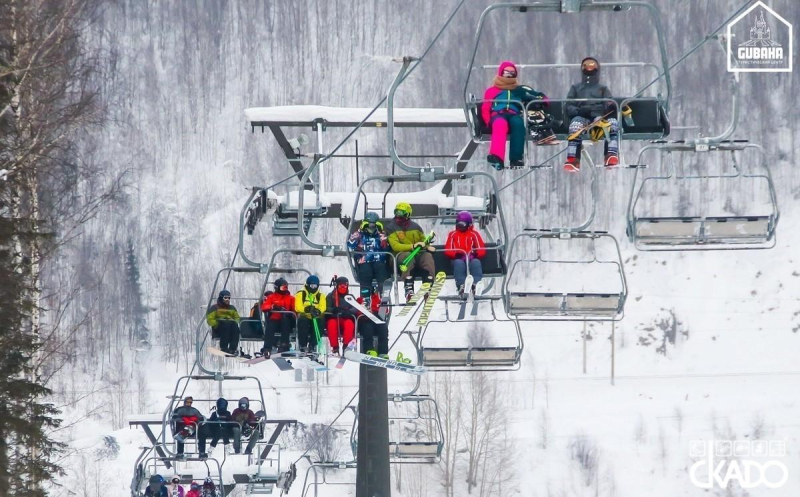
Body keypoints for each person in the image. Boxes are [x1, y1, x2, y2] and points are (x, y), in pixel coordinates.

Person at [481, 60, 550, 170]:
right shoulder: (492, 91)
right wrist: (488, 121)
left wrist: (543, 100)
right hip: (498, 114)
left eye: (512, 73)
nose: (509, 75)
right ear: (501, 73)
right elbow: (485, 108)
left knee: (518, 124)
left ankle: (516, 159)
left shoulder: (519, 90)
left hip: (514, 113)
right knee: (500, 124)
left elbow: (536, 95)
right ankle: (497, 157)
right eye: (506, 72)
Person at [563, 56, 619, 172]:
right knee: (575, 126)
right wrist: (578, 111)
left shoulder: (602, 88)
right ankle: (573, 158)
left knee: (612, 123)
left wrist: (610, 106)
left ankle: (610, 155)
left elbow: (609, 101)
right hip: (582, 115)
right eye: (586, 66)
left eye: (592, 66)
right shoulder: (576, 88)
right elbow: (569, 105)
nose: (589, 68)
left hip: (599, 117)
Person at [385, 202, 436, 301]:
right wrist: (412, 246)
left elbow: (423, 240)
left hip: (416, 255)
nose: (398, 216)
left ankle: (428, 284)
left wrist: (427, 246)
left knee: (427, 256)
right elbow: (395, 246)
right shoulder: (391, 228)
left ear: (407, 214)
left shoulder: (416, 227)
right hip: (398, 257)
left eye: (402, 213)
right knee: (407, 255)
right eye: (397, 212)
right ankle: (409, 288)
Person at [347, 211, 390, 301]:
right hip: (364, 261)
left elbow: (387, 249)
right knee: (365, 272)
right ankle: (365, 297)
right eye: (369, 225)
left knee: (381, 269)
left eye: (374, 225)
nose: (371, 227)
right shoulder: (360, 235)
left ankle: (383, 294)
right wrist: (358, 232)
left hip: (378, 261)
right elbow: (350, 244)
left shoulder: (381, 235)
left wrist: (384, 240)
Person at [444, 211, 487, 297]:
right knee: (459, 264)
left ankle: (476, 284)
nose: (460, 227)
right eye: (459, 224)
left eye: (463, 224)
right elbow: (448, 249)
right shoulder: (453, 235)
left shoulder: (474, 234)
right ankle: (461, 286)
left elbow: (481, 248)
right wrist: (456, 254)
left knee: (476, 263)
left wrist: (474, 254)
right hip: (457, 259)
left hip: (471, 258)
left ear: (469, 225)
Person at [326, 276, 362, 355]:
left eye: (344, 286)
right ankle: (335, 347)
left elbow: (356, 307)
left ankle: (346, 346)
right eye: (341, 286)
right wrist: (333, 310)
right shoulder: (331, 296)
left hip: (346, 318)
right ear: (337, 286)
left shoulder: (350, 297)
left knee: (349, 324)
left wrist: (349, 312)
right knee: (331, 325)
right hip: (335, 317)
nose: (343, 288)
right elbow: (326, 307)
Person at [260, 278, 295, 355]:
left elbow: (295, 309)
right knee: (270, 325)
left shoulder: (291, 298)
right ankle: (267, 348)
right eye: (283, 287)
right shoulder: (272, 297)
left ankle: (284, 345)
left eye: (286, 287)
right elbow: (264, 307)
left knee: (285, 321)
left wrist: (290, 313)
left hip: (286, 320)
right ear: (277, 288)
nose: (285, 289)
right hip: (275, 319)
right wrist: (273, 306)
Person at [294, 275, 326, 352]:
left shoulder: (320, 296)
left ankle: (313, 344)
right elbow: (297, 306)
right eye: (312, 286)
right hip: (305, 315)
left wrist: (318, 311)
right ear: (308, 285)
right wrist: (306, 309)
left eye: (315, 286)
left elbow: (323, 306)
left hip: (315, 316)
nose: (313, 288)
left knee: (321, 322)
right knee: (303, 321)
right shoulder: (301, 294)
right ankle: (303, 345)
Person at [206, 290, 241, 355]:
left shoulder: (232, 308)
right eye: (225, 298)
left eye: (228, 298)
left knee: (236, 328)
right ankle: (224, 347)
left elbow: (237, 317)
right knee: (225, 325)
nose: (227, 300)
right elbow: (210, 319)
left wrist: (234, 322)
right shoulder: (215, 307)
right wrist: (216, 324)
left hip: (230, 326)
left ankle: (232, 349)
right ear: (221, 298)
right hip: (219, 326)